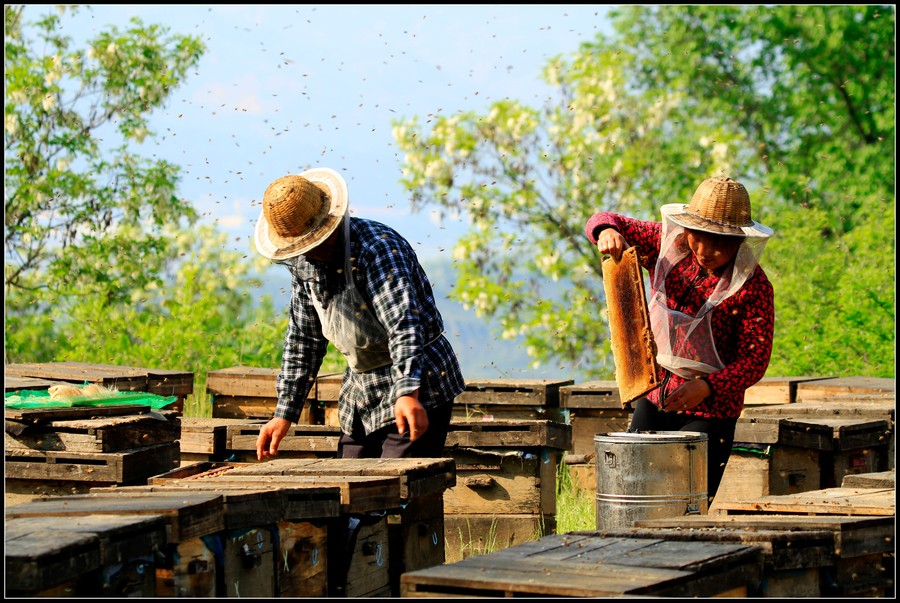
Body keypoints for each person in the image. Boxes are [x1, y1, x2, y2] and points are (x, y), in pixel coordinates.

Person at [254, 167, 465, 461]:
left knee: (397, 486)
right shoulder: (304, 265)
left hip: (419, 381)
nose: (309, 253)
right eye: (302, 247)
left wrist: (407, 392)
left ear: (332, 220)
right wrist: (284, 413)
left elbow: (404, 324)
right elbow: (304, 340)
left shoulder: (377, 249)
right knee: (347, 485)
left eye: (314, 242)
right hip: (362, 389)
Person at [585, 176, 774, 500]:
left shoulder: (754, 286)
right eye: (699, 237)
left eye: (720, 241)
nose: (706, 250)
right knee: (634, 493)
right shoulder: (666, 244)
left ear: (740, 241)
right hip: (655, 393)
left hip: (713, 411)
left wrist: (709, 386)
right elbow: (603, 220)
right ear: (686, 229)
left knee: (689, 503)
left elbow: (754, 359)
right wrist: (608, 233)